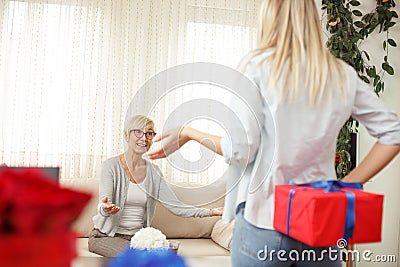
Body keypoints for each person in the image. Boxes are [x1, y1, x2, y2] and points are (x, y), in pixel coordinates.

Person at [147, 1, 400, 266]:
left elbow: (240, 149)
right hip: (320, 222)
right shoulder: (341, 74)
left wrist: (189, 133)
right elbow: (393, 133)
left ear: (270, 15)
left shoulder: (257, 66)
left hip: (264, 224)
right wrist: (345, 185)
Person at [88, 115, 223, 257]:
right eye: (138, 132)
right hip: (106, 237)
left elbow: (176, 206)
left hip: (137, 239)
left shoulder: (154, 173)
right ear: (126, 135)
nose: (144, 138)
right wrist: (105, 209)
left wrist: (211, 211)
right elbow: (104, 204)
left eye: (149, 133)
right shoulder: (111, 166)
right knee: (140, 258)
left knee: (166, 256)